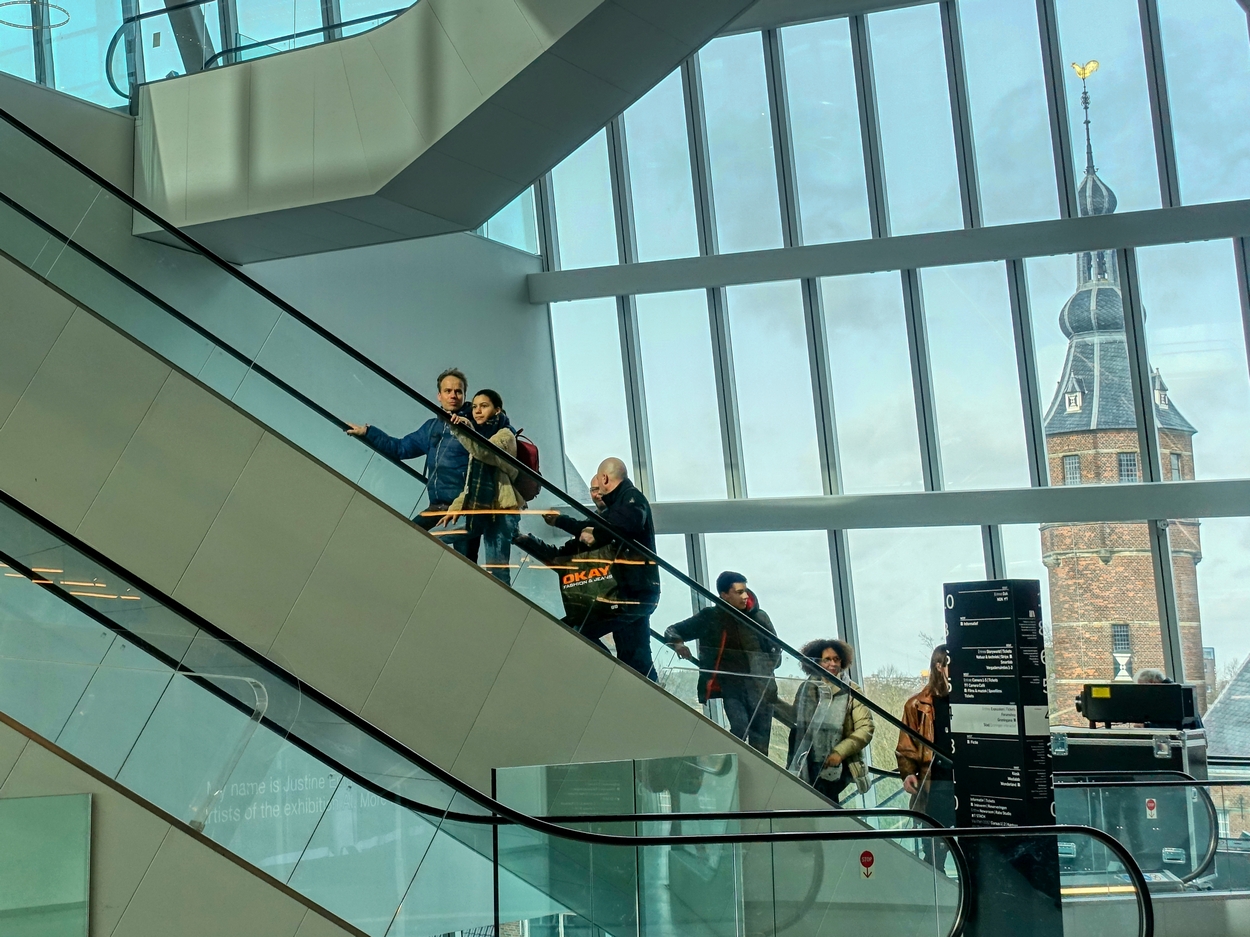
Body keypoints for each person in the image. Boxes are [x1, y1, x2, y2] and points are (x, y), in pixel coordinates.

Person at [346, 368, 474, 554]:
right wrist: (368, 433)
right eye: (448, 391)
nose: (453, 395)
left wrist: (468, 427)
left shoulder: (475, 427)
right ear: (439, 396)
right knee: (406, 543)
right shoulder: (432, 427)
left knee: (465, 566)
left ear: (464, 395)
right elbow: (400, 449)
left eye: (458, 391)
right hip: (437, 507)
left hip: (465, 509)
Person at [664, 572, 781, 754]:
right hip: (732, 687)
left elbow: (776, 650)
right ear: (724, 595)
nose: (745, 596)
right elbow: (673, 630)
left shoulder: (760, 617)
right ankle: (736, 775)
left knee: (761, 743)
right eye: (739, 592)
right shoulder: (711, 617)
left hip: (761, 687)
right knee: (739, 731)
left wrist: (766, 668)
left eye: (745, 591)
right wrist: (678, 643)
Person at [440, 389, 524, 585]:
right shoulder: (479, 437)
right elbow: (470, 483)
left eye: (484, 406)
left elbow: (484, 452)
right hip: (482, 510)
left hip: (502, 512)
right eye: (475, 406)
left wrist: (464, 429)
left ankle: (503, 611)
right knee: (438, 536)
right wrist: (455, 508)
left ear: (497, 410)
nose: (477, 411)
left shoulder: (505, 435)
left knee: (498, 574)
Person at [774, 639, 874, 802]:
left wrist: (839, 752)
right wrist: (773, 702)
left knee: (828, 804)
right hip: (807, 761)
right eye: (827, 659)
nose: (832, 663)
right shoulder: (807, 688)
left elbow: (866, 727)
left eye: (836, 659)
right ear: (817, 661)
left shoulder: (852, 690)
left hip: (838, 764)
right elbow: (796, 719)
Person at [896, 644, 955, 864]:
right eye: (952, 664)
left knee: (971, 846)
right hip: (936, 783)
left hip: (965, 783)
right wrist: (908, 772)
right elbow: (906, 745)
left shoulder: (970, 698)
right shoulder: (917, 705)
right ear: (939, 666)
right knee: (934, 850)